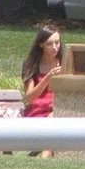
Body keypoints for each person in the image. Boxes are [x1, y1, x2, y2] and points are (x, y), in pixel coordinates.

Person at [21, 25, 62, 157]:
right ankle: (44, 156)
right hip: (38, 111)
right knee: (52, 118)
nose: (55, 47)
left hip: (59, 109)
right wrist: (48, 77)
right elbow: (29, 98)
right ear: (41, 45)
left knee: (54, 116)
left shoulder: (64, 62)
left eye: (57, 42)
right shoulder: (32, 65)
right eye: (50, 44)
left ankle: (43, 154)